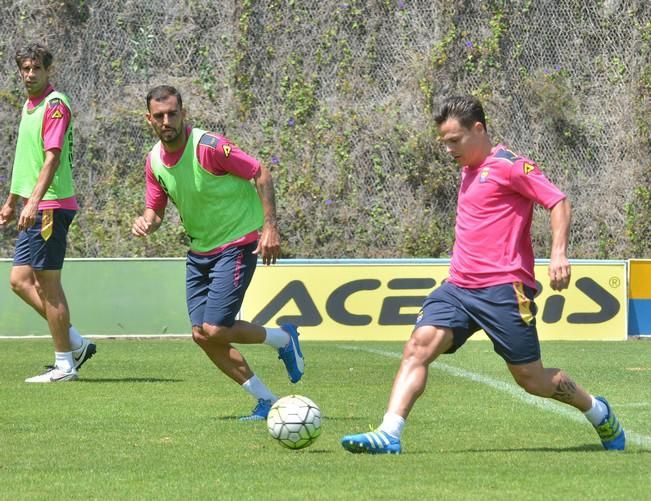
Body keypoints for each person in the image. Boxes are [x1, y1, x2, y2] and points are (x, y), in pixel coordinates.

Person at [341, 95, 625, 453]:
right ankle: (389, 433)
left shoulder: (510, 166)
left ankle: (597, 411)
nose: (448, 150)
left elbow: (558, 201)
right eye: (444, 142)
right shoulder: (468, 168)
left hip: (504, 290)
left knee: (532, 379)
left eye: (454, 141)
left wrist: (558, 254)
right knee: (417, 348)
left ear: (479, 130)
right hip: (458, 287)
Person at [132, 85, 304, 421]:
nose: (167, 121)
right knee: (202, 335)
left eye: (172, 113)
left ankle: (283, 340)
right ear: (149, 119)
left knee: (214, 329)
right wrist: (145, 223)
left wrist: (270, 227)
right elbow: (154, 211)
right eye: (159, 116)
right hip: (200, 252)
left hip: (237, 243)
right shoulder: (154, 161)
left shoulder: (210, 147)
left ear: (184, 113)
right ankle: (267, 398)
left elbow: (260, 173)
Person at [0, 43, 96, 383]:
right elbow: (26, 160)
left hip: (50, 205)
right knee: (19, 281)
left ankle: (65, 364)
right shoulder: (29, 106)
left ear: (47, 71)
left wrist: (33, 201)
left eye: (35, 68)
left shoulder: (55, 105)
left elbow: (52, 159)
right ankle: (74, 342)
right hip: (34, 204)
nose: (29, 74)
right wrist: (13, 200)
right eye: (24, 69)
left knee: (48, 286)